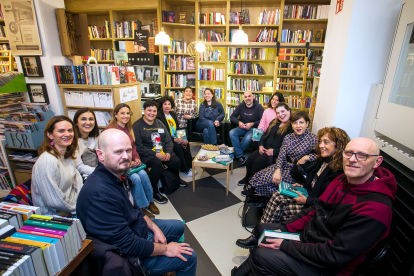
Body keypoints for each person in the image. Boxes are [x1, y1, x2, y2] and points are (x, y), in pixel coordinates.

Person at [231, 137, 396, 276]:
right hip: (312, 239)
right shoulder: (342, 181)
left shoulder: (376, 207)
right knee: (262, 230)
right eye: (349, 153)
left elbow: (334, 255)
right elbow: (315, 209)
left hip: (329, 266)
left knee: (262, 255)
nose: (352, 159)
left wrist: (285, 245)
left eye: (362, 155)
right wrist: (286, 228)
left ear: (377, 162)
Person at [76, 129, 197, 276]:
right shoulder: (99, 194)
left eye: (128, 150)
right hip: (129, 255)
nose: (126, 157)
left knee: (178, 226)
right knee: (190, 257)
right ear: (100, 155)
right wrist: (166, 249)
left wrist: (154, 228)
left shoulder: (117, 174)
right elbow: (128, 244)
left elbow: (135, 208)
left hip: (136, 230)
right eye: (118, 152)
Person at [237, 127, 350, 237]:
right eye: (320, 142)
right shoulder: (322, 161)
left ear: (338, 145)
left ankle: (266, 236)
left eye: (326, 142)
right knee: (277, 194)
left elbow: (329, 201)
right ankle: (259, 234)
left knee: (280, 207)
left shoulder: (339, 171)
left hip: (315, 207)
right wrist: (302, 185)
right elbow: (312, 182)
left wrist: (306, 200)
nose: (321, 146)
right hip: (307, 194)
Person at [246, 111, 318, 197]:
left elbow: (320, 157)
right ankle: (260, 194)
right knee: (259, 175)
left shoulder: (313, 139)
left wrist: (307, 157)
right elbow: (281, 155)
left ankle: (265, 195)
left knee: (267, 179)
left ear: (307, 124)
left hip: (297, 172)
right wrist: (278, 170)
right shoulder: (288, 137)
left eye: (301, 122)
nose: (298, 126)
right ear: (291, 124)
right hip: (285, 164)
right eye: (295, 123)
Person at [105, 103, 159, 217]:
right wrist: (129, 162)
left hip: (132, 163)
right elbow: (113, 152)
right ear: (115, 115)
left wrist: (137, 159)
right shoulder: (110, 130)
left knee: (143, 174)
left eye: (128, 113)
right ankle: (141, 206)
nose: (126, 116)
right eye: (122, 113)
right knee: (135, 178)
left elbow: (133, 147)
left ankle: (150, 202)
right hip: (120, 164)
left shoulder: (128, 128)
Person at [133, 101, 184, 204]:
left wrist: (168, 152)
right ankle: (154, 192)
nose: (152, 113)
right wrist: (156, 154)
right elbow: (138, 146)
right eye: (149, 110)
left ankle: (176, 179)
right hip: (147, 153)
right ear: (144, 110)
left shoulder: (159, 123)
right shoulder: (137, 125)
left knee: (176, 161)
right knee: (157, 164)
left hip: (161, 150)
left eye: (154, 111)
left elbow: (168, 139)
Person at [32, 116, 83, 216]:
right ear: (50, 135)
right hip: (55, 217)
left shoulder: (66, 156)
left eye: (70, 130)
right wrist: (80, 207)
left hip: (71, 208)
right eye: (61, 131)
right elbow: (54, 202)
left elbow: (78, 181)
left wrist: (83, 201)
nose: (67, 134)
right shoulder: (47, 161)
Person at [238, 103, 293, 187]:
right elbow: (265, 135)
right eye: (278, 113)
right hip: (265, 148)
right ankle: (248, 177)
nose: (280, 115)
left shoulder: (292, 127)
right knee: (250, 159)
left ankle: (254, 186)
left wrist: (274, 152)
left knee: (258, 163)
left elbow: (289, 148)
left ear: (288, 111)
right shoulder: (274, 122)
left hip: (276, 154)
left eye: (282, 111)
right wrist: (260, 145)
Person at [157, 96, 196, 177]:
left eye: (169, 104)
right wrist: (174, 140)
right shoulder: (159, 116)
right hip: (167, 140)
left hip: (176, 137)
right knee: (178, 147)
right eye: (165, 104)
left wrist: (183, 139)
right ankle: (184, 170)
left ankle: (189, 166)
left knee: (186, 144)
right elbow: (161, 134)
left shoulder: (172, 114)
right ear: (161, 105)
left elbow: (178, 128)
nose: (167, 106)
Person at [229, 91, 264, 166]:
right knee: (232, 132)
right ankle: (240, 156)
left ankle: (237, 155)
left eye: (249, 96)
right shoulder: (241, 106)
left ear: (252, 97)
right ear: (243, 98)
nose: (247, 98)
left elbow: (262, 120)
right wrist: (239, 122)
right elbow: (232, 116)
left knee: (248, 138)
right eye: (245, 97)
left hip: (254, 128)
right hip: (243, 127)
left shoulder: (259, 106)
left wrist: (252, 124)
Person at [73, 108, 99, 179]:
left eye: (91, 119)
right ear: (76, 122)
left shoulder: (94, 139)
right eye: (83, 119)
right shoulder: (73, 141)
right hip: (80, 178)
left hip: (94, 174)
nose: (88, 122)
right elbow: (79, 167)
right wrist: (101, 172)